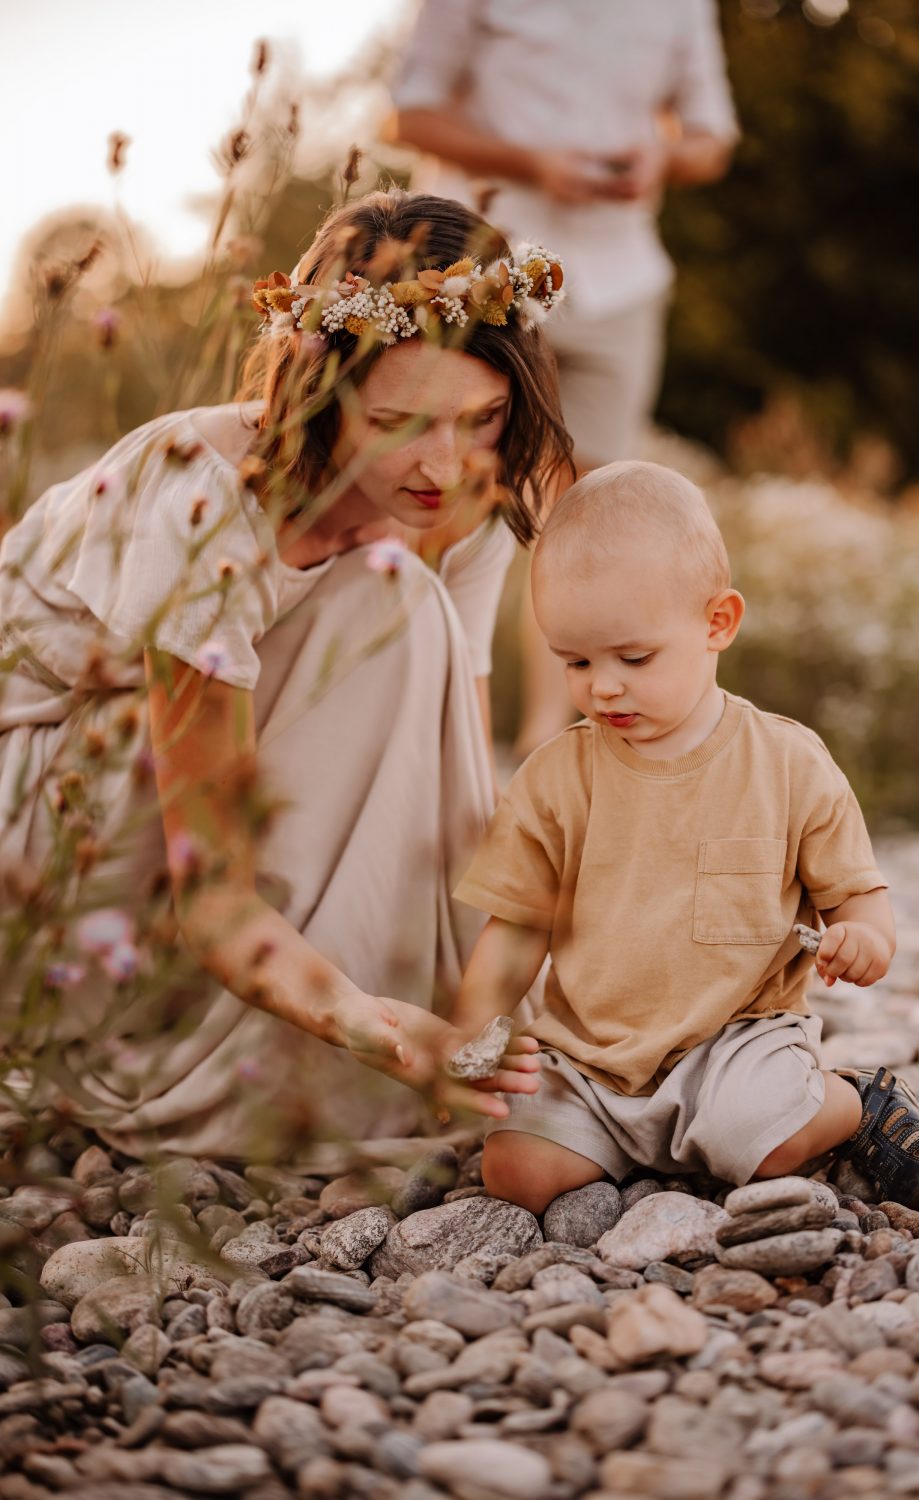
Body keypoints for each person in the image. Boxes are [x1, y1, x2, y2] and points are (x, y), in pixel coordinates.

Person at [0, 191, 567, 1165]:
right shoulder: (201, 496)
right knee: (383, 600)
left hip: (207, 814)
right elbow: (212, 888)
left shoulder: (466, 489)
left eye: (480, 419)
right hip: (61, 833)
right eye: (398, 422)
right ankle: (235, 1063)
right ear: (313, 391)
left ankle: (408, 1032)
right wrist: (376, 1029)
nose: (443, 464)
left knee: (398, 606)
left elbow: (455, 792)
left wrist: (494, 1006)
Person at [447, 461, 919, 1212]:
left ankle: (851, 1101)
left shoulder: (785, 762)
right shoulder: (555, 779)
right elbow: (517, 930)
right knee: (514, 1172)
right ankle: (650, 1144)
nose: (602, 686)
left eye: (633, 658)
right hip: (589, 1055)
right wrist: (469, 1031)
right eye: (575, 662)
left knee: (769, 1139)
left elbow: (860, 901)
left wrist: (865, 941)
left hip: (734, 1043)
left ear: (717, 623)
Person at [387, 0, 740, 752]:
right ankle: (427, 720)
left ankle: (554, 738)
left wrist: (663, 160)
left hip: (621, 280)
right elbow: (410, 114)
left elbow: (712, 139)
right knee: (449, 490)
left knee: (585, 521)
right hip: (483, 266)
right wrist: (534, 164)